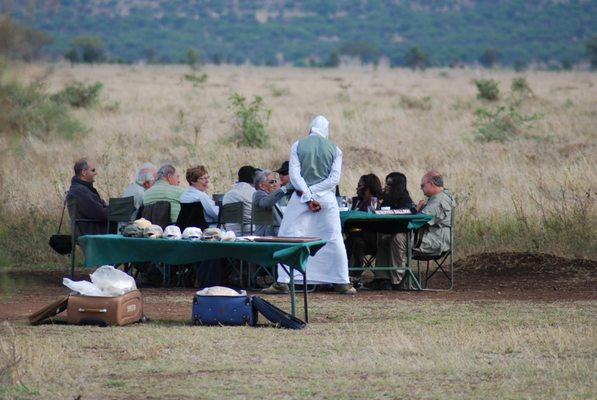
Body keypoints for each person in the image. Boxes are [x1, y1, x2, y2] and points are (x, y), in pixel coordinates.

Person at [264, 115, 355, 295]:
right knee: (333, 237)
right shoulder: (336, 149)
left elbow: (295, 176)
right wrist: (316, 193)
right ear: (326, 131)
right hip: (326, 199)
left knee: (287, 236)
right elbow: (334, 179)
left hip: (300, 198)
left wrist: (307, 194)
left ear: (310, 129)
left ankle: (283, 281)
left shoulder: (297, 145)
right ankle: (342, 281)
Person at [368, 172, 416, 290]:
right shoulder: (388, 199)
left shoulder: (405, 199)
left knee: (396, 239)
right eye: (386, 184)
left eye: (390, 184)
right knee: (383, 239)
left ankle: (398, 280)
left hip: (403, 233)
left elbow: (405, 217)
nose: (386, 187)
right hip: (389, 232)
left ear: (397, 186)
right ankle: (382, 279)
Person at [345, 174, 382, 280]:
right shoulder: (354, 201)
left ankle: (353, 276)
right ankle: (343, 274)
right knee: (350, 240)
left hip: (373, 240)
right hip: (355, 237)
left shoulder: (376, 203)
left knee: (355, 241)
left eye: (360, 185)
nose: (357, 188)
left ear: (368, 189)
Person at [415, 170, 455, 255]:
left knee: (397, 239)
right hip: (435, 237)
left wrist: (416, 211)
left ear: (431, 184)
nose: (421, 188)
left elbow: (417, 222)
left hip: (436, 241)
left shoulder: (438, 200)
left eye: (423, 185)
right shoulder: (444, 195)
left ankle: (398, 268)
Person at [66, 158, 108, 235]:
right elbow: (100, 213)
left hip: (94, 229)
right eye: (93, 170)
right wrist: (118, 210)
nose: (95, 173)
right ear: (84, 172)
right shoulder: (79, 191)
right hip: (92, 232)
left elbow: (100, 209)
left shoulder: (83, 189)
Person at [222, 165, 257, 236]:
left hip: (230, 233)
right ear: (254, 179)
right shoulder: (254, 193)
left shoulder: (228, 194)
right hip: (251, 232)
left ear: (238, 178)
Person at [252, 169, 287, 236]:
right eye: (271, 182)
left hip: (275, 233)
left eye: (275, 181)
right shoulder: (259, 193)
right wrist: (283, 189)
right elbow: (265, 203)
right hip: (267, 236)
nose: (274, 184)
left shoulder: (270, 195)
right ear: (261, 186)